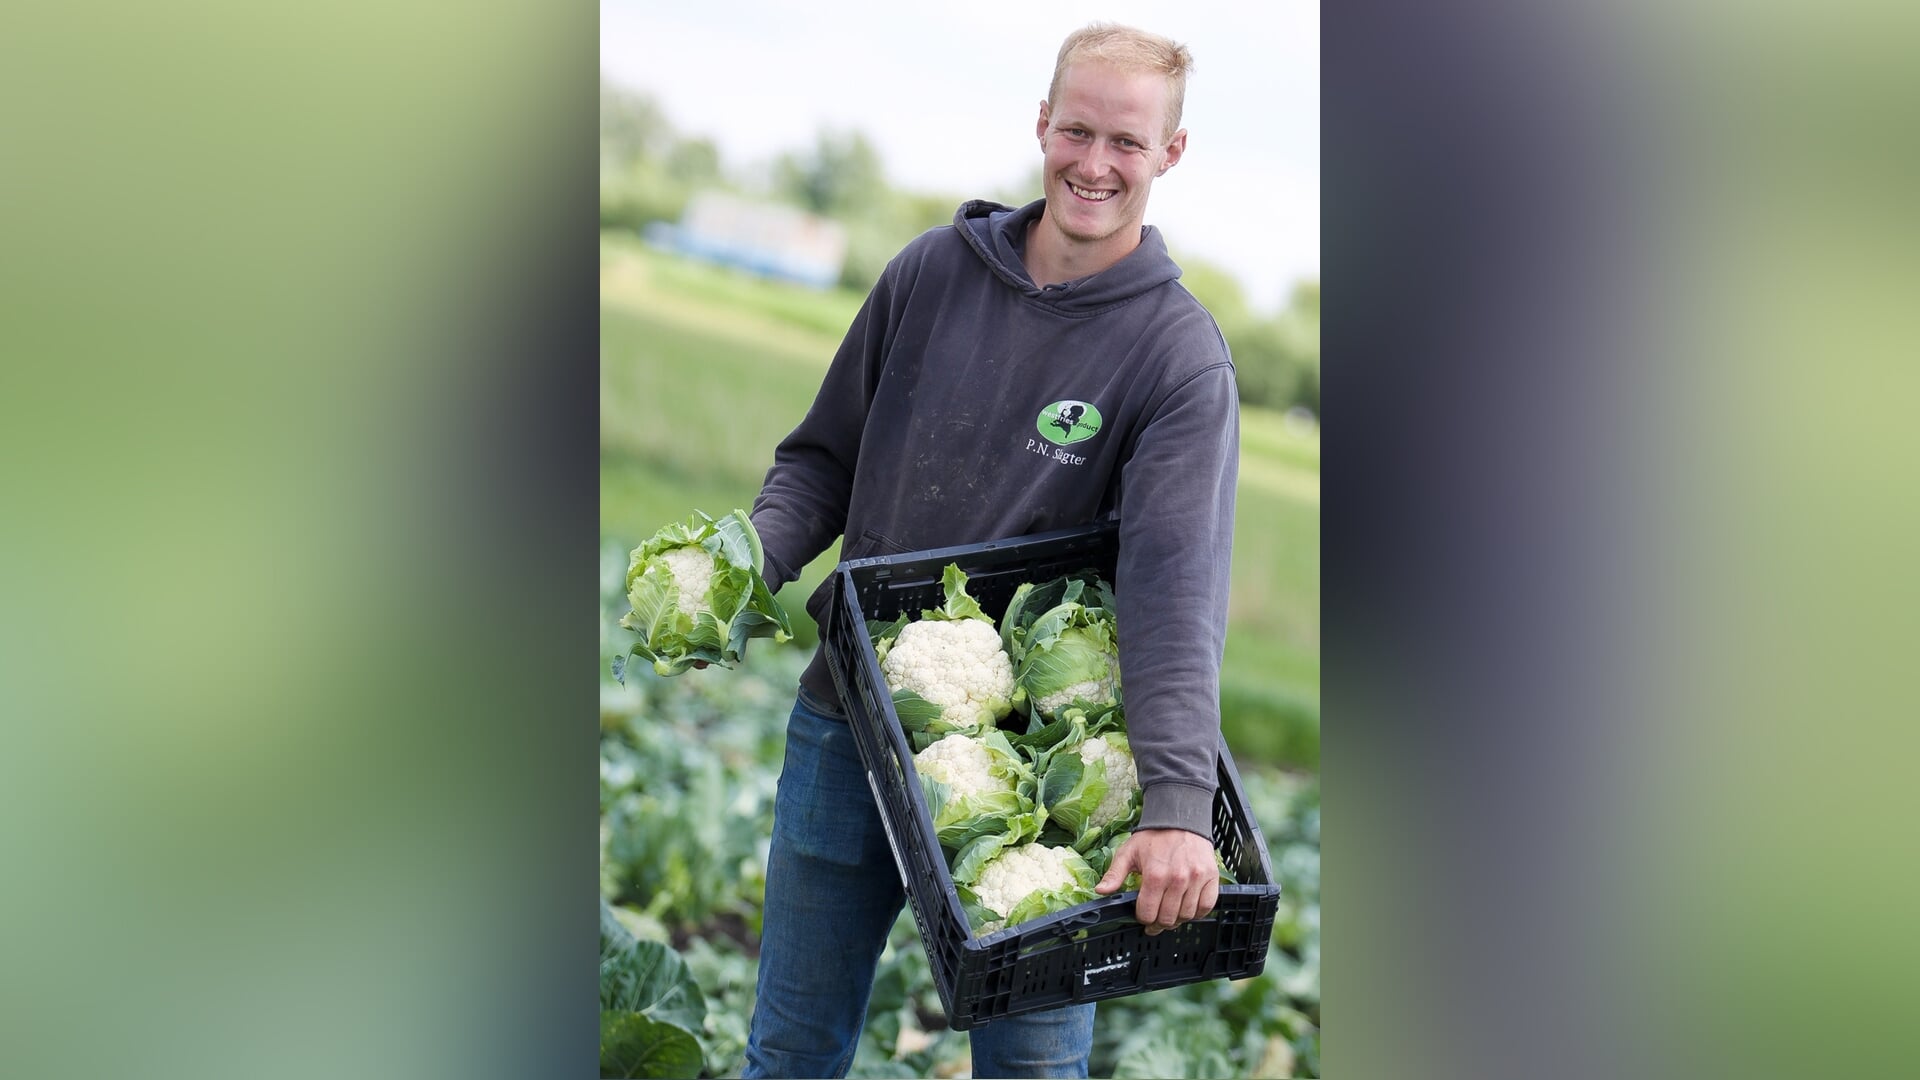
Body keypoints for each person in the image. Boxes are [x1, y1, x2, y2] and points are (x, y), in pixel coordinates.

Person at [742, 22, 1238, 1079]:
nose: (1094, 164)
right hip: (846, 723)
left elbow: (1172, 591)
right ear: (1041, 125)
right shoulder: (930, 273)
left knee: (1030, 1070)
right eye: (1076, 130)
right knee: (789, 1049)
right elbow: (820, 464)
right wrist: (743, 566)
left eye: (1127, 143)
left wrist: (1179, 805)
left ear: (1171, 156)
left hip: (1037, 794)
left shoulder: (1177, 357)